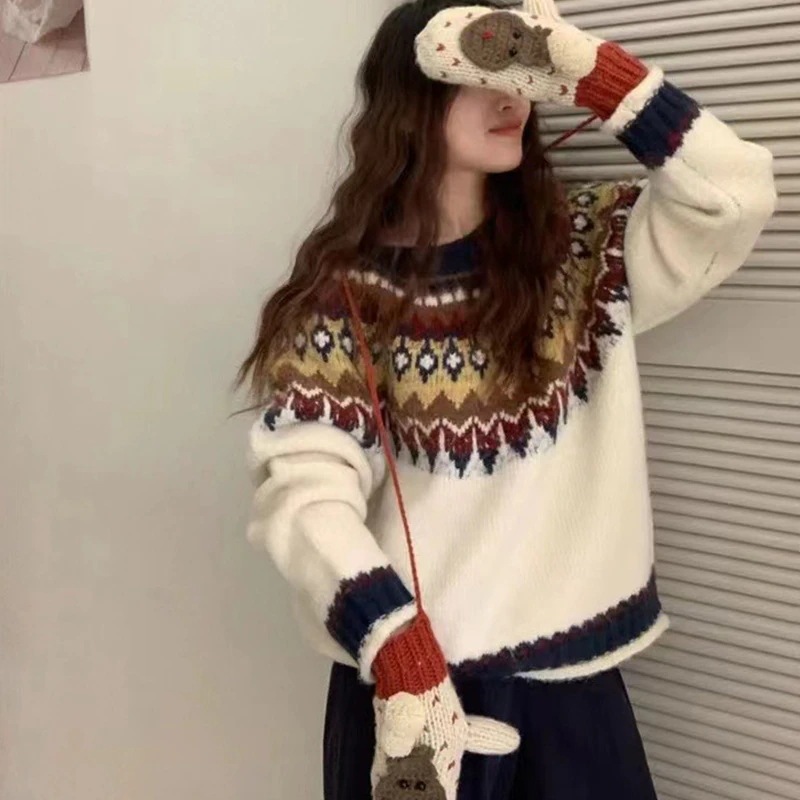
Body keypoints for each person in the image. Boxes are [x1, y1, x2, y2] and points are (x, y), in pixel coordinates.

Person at [234, 2, 777, 798]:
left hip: (574, 690)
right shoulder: (345, 297)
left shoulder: (585, 251)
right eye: (474, 75)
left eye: (520, 74)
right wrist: (394, 643)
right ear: (410, 99)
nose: (510, 97)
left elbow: (737, 192)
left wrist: (593, 73)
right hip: (414, 698)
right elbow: (305, 494)